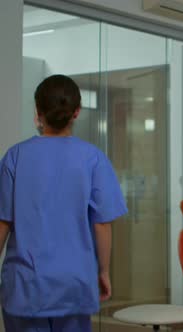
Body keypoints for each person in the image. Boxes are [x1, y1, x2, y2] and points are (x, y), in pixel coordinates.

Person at [0, 75, 127, 331]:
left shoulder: (15, 157)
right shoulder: (93, 159)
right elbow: (102, 225)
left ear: (38, 112)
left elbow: (3, 222)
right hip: (74, 283)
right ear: (76, 112)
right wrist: (103, 271)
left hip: (26, 286)